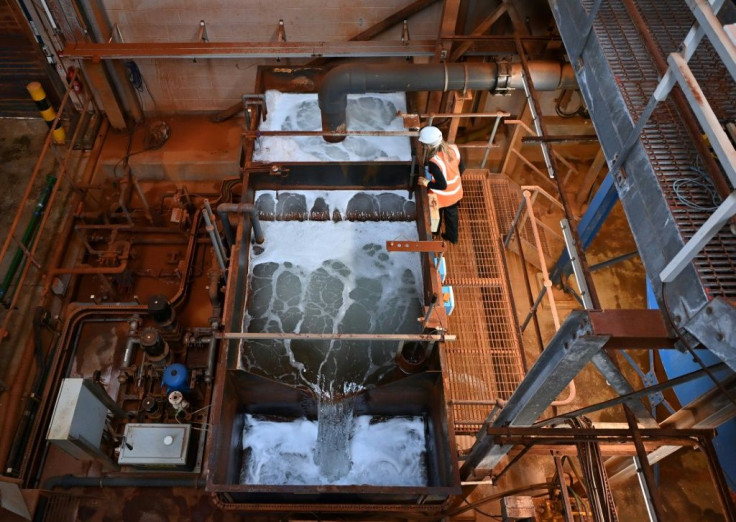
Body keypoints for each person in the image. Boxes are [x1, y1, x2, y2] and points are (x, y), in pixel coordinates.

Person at [416, 126, 465, 244]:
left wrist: (426, 183)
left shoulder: (434, 162)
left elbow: (442, 185)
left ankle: (435, 233)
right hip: (456, 192)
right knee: (452, 216)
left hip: (442, 196)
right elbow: (462, 168)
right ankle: (452, 238)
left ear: (428, 146)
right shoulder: (454, 148)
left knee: (436, 213)